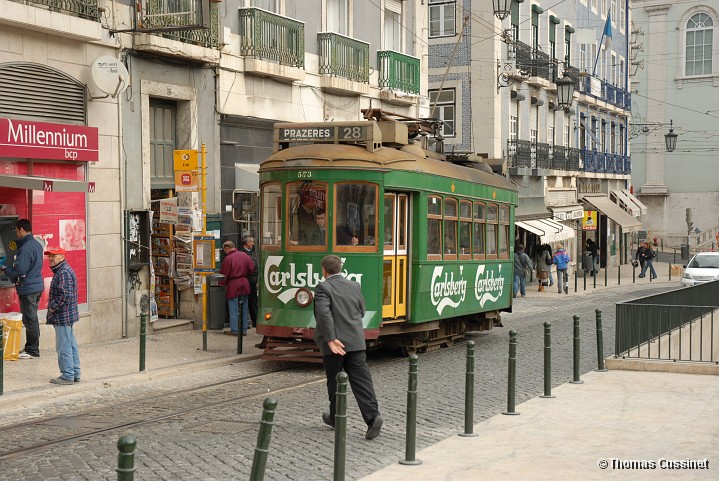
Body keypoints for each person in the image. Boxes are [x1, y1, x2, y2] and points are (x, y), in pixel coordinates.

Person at [313, 255, 383, 440]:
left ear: (324, 271)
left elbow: (323, 314)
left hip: (335, 345)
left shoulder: (323, 287)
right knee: (362, 382)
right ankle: (373, 417)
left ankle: (336, 418)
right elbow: (361, 311)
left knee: (334, 381)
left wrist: (331, 339)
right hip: (356, 342)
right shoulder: (354, 286)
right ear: (340, 268)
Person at [0, 219, 44, 359]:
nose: (17, 234)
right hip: (35, 285)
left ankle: (32, 350)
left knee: (30, 320)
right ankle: (32, 347)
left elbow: (20, 269)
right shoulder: (36, 244)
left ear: (22, 230)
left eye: (17, 231)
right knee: (33, 319)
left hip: (28, 288)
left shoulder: (25, 248)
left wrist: (5, 270)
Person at [44, 247, 80, 385]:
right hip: (67, 315)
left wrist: (52, 306)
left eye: (54, 255)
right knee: (70, 345)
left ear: (63, 257)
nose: (51, 258)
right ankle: (75, 373)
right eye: (49, 256)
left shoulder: (63, 272)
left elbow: (65, 295)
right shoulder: (62, 270)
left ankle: (67, 375)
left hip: (62, 316)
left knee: (63, 346)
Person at [219, 241, 256, 336]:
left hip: (233, 284)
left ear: (227, 248)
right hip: (244, 282)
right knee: (244, 307)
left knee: (234, 307)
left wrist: (221, 284)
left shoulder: (228, 259)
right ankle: (243, 329)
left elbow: (224, 274)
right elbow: (251, 269)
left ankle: (235, 329)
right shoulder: (245, 255)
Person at [239, 235, 259, 327]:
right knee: (245, 301)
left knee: (253, 302)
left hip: (252, 281)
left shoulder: (251, 252)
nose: (253, 243)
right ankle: (244, 323)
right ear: (247, 243)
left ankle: (255, 321)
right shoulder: (242, 253)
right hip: (247, 281)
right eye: (252, 242)